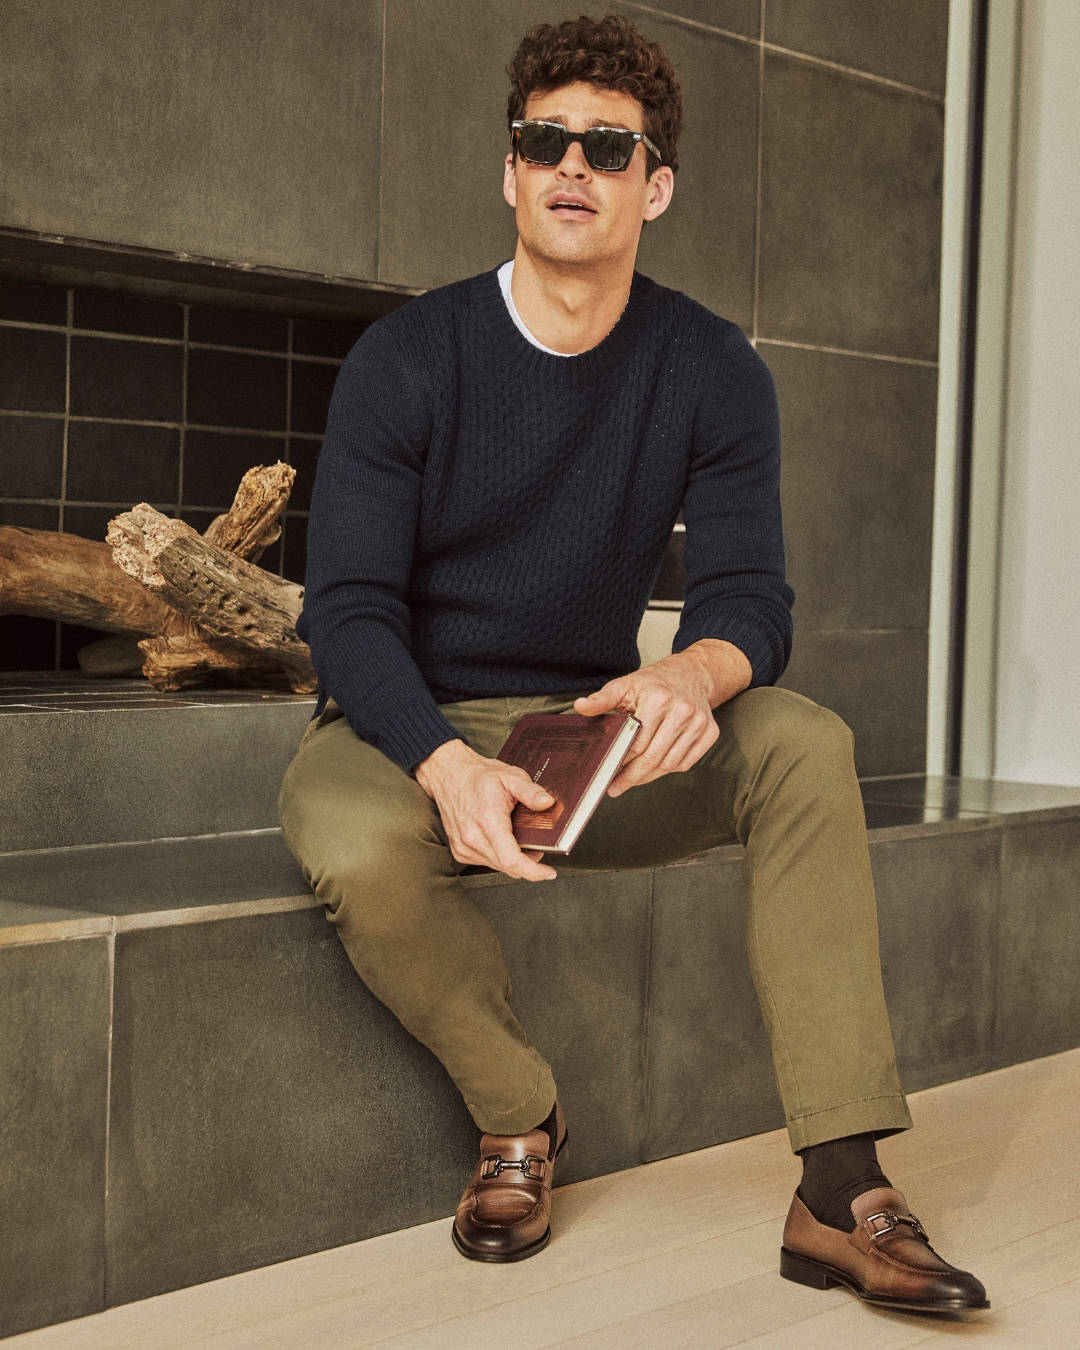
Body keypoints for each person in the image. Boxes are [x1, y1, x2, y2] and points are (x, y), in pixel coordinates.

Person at [278, 12, 988, 1313]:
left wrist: (692, 676)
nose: (571, 166)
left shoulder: (711, 367)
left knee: (802, 737)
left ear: (655, 184)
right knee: (349, 839)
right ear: (508, 168)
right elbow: (349, 613)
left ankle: (839, 1186)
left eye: (608, 147)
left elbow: (749, 604)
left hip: (589, 735)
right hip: (410, 724)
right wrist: (439, 760)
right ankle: (521, 1119)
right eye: (545, 140)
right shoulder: (409, 358)